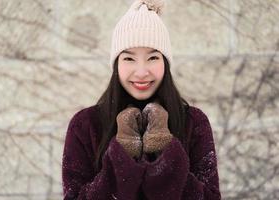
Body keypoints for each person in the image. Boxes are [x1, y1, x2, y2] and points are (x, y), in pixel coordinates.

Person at [61, 0, 221, 199]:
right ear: (116, 64)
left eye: (153, 58)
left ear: (165, 62)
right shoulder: (85, 125)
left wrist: (165, 151)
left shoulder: (194, 122)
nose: (142, 71)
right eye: (129, 58)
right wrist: (121, 154)